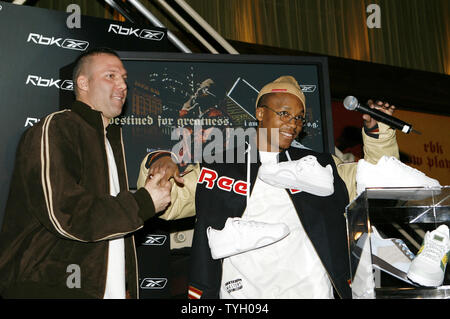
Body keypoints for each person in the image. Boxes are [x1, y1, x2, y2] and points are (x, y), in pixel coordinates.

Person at [137, 76, 399, 299]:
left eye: (299, 118)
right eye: (284, 113)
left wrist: (380, 135)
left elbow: (379, 180)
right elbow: (166, 203)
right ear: (260, 113)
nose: (293, 124)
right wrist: (158, 161)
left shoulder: (319, 167)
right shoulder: (219, 167)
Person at [0, 47, 172, 299]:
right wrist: (144, 202)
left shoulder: (112, 142)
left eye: (124, 78)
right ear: (82, 83)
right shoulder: (58, 128)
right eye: (110, 76)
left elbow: (110, 229)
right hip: (49, 287)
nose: (122, 85)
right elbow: (66, 213)